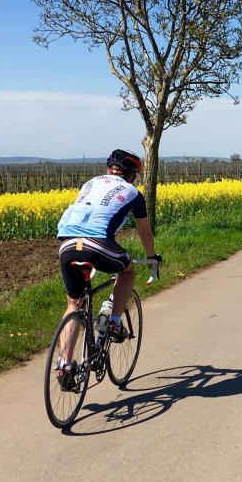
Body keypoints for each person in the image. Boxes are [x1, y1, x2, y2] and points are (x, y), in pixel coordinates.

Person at [54, 149, 159, 388]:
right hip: (98, 244)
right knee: (127, 270)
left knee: (74, 303)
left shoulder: (89, 184)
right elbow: (144, 230)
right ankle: (113, 320)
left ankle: (64, 364)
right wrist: (152, 256)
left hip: (68, 244)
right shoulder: (133, 192)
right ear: (132, 174)